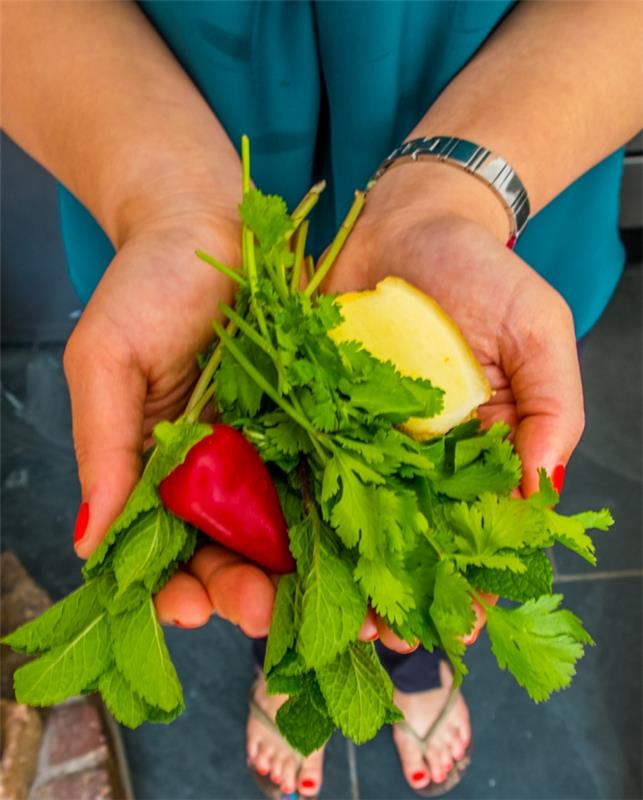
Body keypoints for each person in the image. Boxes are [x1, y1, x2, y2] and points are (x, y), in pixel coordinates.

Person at [4, 2, 641, 797]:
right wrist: (165, 196)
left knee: (442, 482)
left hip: (521, 123)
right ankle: (301, 650)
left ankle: (398, 649)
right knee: (271, 556)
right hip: (149, 113)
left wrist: (457, 193)